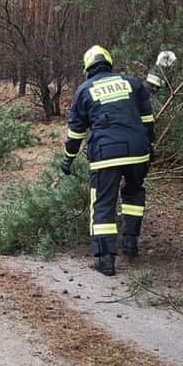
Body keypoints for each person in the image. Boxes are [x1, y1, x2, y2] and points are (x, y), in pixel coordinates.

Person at [60, 46, 154, 276]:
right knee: (134, 192)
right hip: (138, 151)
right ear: (110, 63)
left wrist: (68, 159)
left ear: (87, 68)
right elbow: (148, 121)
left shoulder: (84, 90)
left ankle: (105, 260)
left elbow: (76, 133)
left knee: (103, 203)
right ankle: (130, 242)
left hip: (105, 154)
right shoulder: (132, 83)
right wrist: (149, 146)